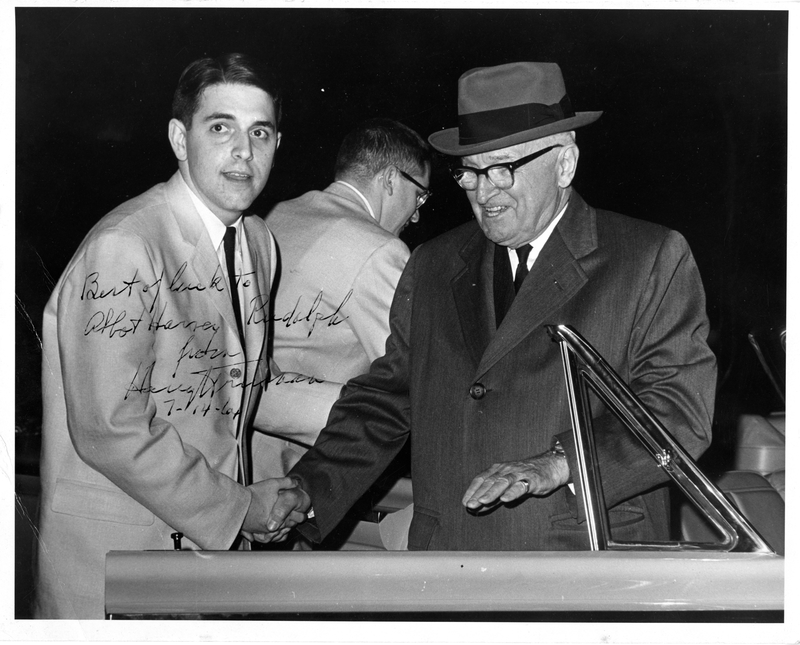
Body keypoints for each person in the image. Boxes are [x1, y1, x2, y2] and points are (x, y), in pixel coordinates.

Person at [261, 61, 716, 551]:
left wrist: (556, 465)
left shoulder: (649, 259)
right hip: (450, 566)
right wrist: (308, 489)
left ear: (564, 163)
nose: (483, 193)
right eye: (471, 173)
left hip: (582, 569)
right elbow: (387, 399)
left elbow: (678, 417)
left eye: (503, 169)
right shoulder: (433, 265)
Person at [34, 53, 303, 619]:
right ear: (180, 140)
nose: (243, 152)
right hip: (120, 565)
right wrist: (237, 509)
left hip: (202, 569)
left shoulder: (258, 242)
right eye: (221, 127)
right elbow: (110, 428)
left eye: (261, 132)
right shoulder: (126, 244)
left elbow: (232, 400)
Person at [251, 118, 432, 482]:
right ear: (391, 180)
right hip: (287, 469)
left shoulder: (279, 213)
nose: (416, 215)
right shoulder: (379, 249)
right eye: (420, 196)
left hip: (235, 441)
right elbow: (417, 375)